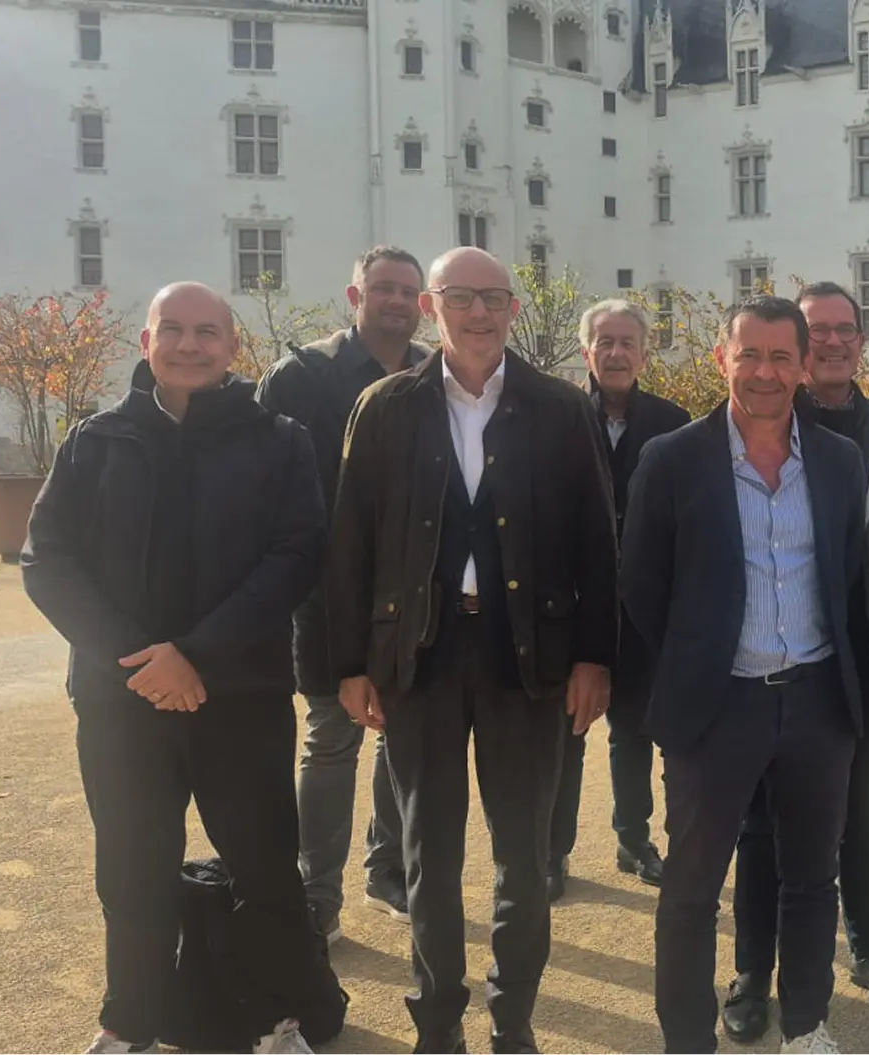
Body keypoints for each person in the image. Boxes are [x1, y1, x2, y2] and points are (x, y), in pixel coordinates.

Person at [325, 246, 618, 1055]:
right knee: (429, 852)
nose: (480, 313)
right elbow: (351, 541)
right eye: (462, 297)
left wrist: (596, 654)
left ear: (515, 309)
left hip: (529, 657)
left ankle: (512, 1021)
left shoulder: (560, 408)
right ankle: (438, 1022)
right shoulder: (384, 407)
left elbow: (599, 539)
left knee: (524, 858)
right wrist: (348, 663)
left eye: (495, 298)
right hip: (417, 653)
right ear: (431, 306)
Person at [25, 282, 331, 1055]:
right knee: (130, 873)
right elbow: (48, 559)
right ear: (147, 340)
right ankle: (129, 1019)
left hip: (242, 697)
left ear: (234, 347)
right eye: (174, 330)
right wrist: (141, 661)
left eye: (208, 333)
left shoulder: (280, 439)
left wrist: (195, 655)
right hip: (122, 700)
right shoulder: (94, 439)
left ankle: (277, 1017)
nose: (190, 345)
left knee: (264, 869)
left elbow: (295, 557)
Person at [624, 295, 869, 1055]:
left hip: (816, 702)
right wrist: (695, 667)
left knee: (809, 879)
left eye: (779, 357)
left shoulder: (838, 460)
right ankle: (687, 1039)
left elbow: (849, 573)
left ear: (803, 365)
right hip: (716, 706)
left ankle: (804, 1025)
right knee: (692, 889)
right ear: (720, 358)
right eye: (748, 354)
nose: (764, 372)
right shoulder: (669, 459)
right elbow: (641, 585)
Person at [725, 282, 869, 1042]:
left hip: (855, 663)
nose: (831, 344)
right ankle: (750, 971)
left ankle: (867, 945)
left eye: (843, 332)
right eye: (817, 332)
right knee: (758, 826)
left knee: (860, 812)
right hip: (763, 661)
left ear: (860, 342)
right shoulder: (764, 422)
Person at [258, 246, 431, 938]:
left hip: (417, 595)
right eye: (382, 288)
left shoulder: (434, 374)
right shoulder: (302, 377)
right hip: (327, 595)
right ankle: (316, 896)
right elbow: (262, 488)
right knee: (332, 740)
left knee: (401, 735)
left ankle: (385, 870)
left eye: (407, 291)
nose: (395, 300)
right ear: (354, 296)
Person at [547, 298, 691, 898]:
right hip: (569, 599)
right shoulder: (553, 417)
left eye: (627, 342)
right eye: (604, 342)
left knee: (634, 729)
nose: (616, 353)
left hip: (639, 601)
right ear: (586, 352)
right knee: (566, 733)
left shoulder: (673, 421)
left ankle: (635, 842)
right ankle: (552, 855)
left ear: (644, 352)